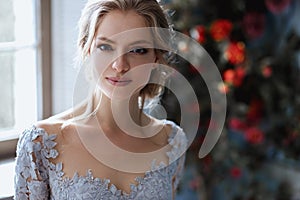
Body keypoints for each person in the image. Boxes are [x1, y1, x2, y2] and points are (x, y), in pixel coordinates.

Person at [14, 0, 187, 199]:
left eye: (138, 50)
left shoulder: (172, 141)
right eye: (105, 46)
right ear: (87, 49)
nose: (120, 65)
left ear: (156, 58)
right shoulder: (42, 143)